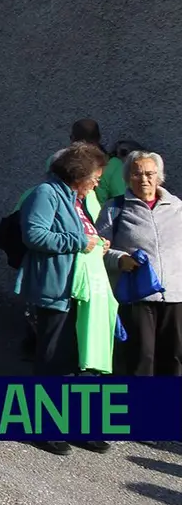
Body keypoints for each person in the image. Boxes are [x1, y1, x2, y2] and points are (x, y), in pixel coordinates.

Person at [17, 141, 114, 456]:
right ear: (80, 174)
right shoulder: (46, 193)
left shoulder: (76, 198)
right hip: (57, 291)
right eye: (95, 176)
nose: (98, 182)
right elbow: (34, 234)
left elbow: (83, 236)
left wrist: (98, 242)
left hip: (82, 291)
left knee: (77, 362)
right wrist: (79, 241)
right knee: (53, 360)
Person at [96, 151, 182, 376]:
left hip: (175, 297)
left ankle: (172, 408)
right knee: (142, 358)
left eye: (150, 173)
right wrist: (119, 259)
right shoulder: (115, 208)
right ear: (127, 178)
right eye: (137, 174)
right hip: (136, 297)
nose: (144, 179)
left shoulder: (177, 208)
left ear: (159, 176)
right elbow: (98, 250)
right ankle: (142, 408)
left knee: (175, 357)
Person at [69, 118, 125, 205]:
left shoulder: (57, 162)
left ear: (72, 139)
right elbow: (121, 201)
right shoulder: (114, 165)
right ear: (99, 138)